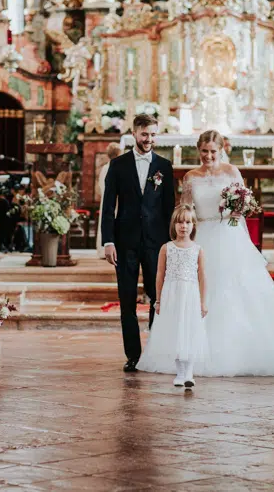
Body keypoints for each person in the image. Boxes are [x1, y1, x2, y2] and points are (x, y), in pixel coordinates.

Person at [180, 129, 274, 376]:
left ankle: (238, 350)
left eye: (213, 151)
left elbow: (244, 203)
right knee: (203, 288)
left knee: (234, 287)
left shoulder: (231, 172)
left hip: (228, 234)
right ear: (198, 150)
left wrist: (238, 211)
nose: (208, 156)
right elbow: (184, 209)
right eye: (204, 151)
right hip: (203, 235)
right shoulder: (190, 177)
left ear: (221, 150)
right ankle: (198, 348)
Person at [101, 114, 175, 372]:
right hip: (125, 241)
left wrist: (172, 244)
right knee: (127, 298)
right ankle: (133, 354)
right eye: (145, 134)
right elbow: (108, 207)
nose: (149, 139)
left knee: (158, 298)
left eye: (154, 134)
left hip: (157, 243)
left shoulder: (164, 167)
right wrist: (108, 241)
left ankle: (156, 350)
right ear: (134, 133)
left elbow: (169, 209)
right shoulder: (118, 165)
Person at [137, 205, 208, 389]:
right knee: (176, 331)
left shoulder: (197, 249)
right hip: (172, 295)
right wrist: (158, 300)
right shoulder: (166, 248)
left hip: (190, 295)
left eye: (187, 222)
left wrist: (203, 301)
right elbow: (159, 275)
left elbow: (202, 277)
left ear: (193, 226)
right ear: (173, 225)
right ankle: (180, 373)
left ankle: (189, 372)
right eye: (179, 222)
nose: (183, 226)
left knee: (190, 331)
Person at [97, 143, 123, 259]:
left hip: (105, 198)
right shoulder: (114, 167)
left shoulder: (105, 167)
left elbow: (100, 184)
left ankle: (102, 250)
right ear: (118, 154)